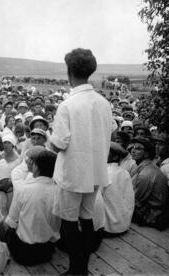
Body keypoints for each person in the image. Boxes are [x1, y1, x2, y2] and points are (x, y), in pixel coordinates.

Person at [50, 48, 113, 274]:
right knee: (87, 220)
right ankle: (82, 268)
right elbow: (109, 131)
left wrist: (51, 138)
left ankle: (76, 269)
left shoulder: (67, 105)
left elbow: (59, 143)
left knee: (68, 222)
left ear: (69, 72)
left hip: (73, 174)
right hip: (95, 172)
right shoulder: (104, 103)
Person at [5, 150, 61, 265]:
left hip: (24, 252)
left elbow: (11, 223)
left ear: (37, 167)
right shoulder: (60, 191)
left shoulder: (24, 190)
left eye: (33, 163)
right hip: (47, 250)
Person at [130, 136, 169, 230]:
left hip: (151, 214)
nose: (133, 151)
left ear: (146, 154)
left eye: (138, 149)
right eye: (133, 147)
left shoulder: (145, 174)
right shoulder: (145, 166)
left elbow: (135, 200)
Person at [101, 142, 135, 235]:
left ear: (115, 157)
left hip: (108, 228)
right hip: (123, 225)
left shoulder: (105, 173)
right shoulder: (124, 172)